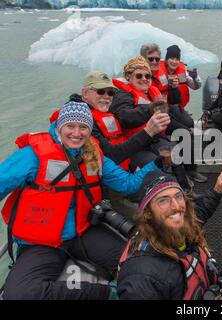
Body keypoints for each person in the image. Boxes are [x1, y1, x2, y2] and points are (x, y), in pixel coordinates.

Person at [0, 101, 160, 300]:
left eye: (83, 127)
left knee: (142, 264)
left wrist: (159, 163)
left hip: (84, 233)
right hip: (41, 243)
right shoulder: (34, 156)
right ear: (60, 126)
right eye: (70, 126)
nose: (77, 133)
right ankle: (106, 293)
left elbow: (128, 184)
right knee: (18, 294)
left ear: (89, 129)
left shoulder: (94, 156)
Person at [117, 171, 222, 299]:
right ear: (147, 213)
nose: (176, 206)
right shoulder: (142, 278)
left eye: (178, 196)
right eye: (163, 201)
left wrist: (217, 190)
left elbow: (201, 212)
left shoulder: (181, 226)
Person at [50, 70, 171, 173]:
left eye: (111, 92)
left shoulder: (104, 111)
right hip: (105, 178)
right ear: (85, 93)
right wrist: (149, 131)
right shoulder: (81, 121)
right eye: (101, 91)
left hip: (123, 168)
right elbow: (111, 155)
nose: (107, 96)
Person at [110, 56, 206, 184]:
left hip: (155, 138)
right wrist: (150, 109)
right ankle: (165, 192)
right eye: (139, 76)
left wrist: (172, 90)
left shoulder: (151, 91)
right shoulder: (123, 95)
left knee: (174, 154)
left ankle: (186, 190)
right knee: (160, 166)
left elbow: (172, 104)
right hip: (137, 145)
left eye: (147, 76)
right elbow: (124, 117)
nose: (144, 79)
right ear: (128, 77)